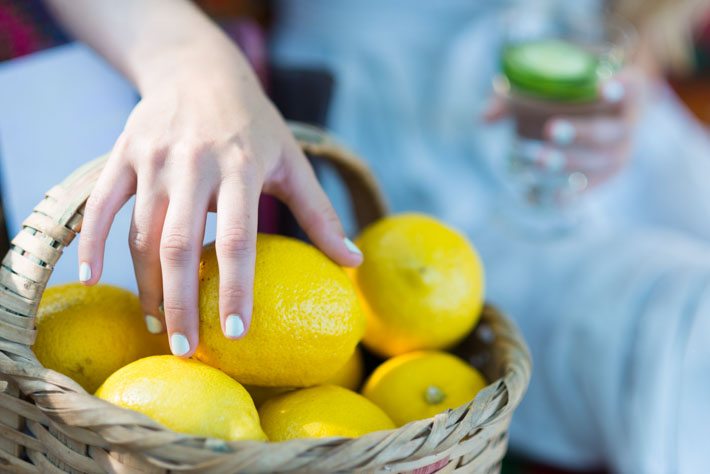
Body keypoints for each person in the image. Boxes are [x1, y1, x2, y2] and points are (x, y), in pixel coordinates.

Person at [41, 0, 710, 472]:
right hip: (415, 180)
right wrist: (197, 73)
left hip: (615, 161)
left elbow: (638, 27)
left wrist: (626, 93)